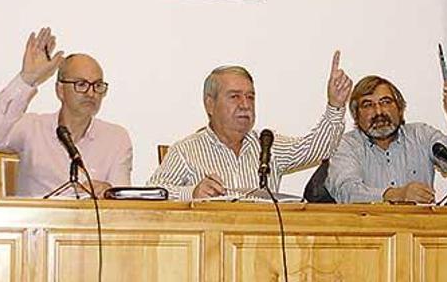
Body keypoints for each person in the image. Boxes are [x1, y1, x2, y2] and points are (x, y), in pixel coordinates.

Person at [148, 52, 353, 200]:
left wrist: (335, 105)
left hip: (262, 251)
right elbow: (154, 192)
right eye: (235, 96)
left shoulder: (268, 145)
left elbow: (317, 149)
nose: (245, 105)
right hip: (211, 251)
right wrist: (191, 192)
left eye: (250, 97)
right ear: (210, 104)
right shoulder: (186, 150)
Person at [0, 28, 132, 197]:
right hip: (36, 222)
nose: (91, 93)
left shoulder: (116, 138)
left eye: (98, 86)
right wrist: (26, 79)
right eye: (81, 84)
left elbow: (122, 205)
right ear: (60, 90)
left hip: (92, 223)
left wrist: (109, 192)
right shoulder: (31, 128)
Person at [325, 75, 447, 204]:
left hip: (418, 233)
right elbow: (346, 192)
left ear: (400, 108)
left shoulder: (421, 135)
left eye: (386, 102)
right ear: (356, 115)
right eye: (368, 105)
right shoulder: (345, 145)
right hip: (370, 234)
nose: (379, 111)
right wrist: (397, 194)